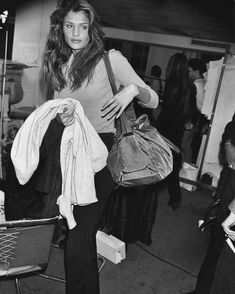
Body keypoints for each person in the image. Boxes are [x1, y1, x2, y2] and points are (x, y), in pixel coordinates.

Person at [43, 1, 159, 293]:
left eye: (83, 26)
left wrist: (133, 90)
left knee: (78, 238)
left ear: (91, 29)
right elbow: (60, 110)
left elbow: (154, 99)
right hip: (70, 153)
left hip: (104, 155)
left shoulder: (111, 60)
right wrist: (62, 117)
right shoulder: (59, 63)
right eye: (69, 26)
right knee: (75, 238)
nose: (76, 33)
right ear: (61, 28)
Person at [185, 113, 235, 294]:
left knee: (223, 261)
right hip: (227, 199)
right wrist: (229, 142)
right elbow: (230, 131)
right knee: (215, 252)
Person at [155, 53, 199, 210]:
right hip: (178, 128)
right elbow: (194, 110)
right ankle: (175, 196)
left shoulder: (172, 84)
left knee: (160, 159)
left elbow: (167, 110)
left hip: (167, 127)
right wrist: (189, 121)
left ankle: (155, 190)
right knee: (172, 161)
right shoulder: (190, 86)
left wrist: (156, 127)